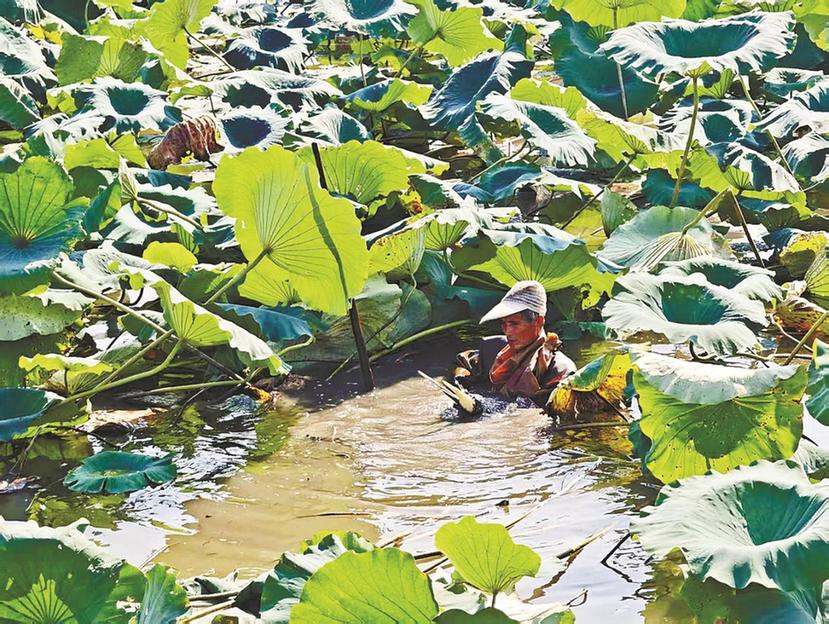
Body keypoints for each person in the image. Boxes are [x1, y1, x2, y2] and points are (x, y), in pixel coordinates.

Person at [452, 280, 576, 409]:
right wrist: (460, 384)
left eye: (514, 324)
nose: (507, 331)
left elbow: (542, 411)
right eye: (504, 323)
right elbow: (464, 363)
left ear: (538, 321)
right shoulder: (493, 348)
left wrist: (486, 409)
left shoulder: (561, 369)